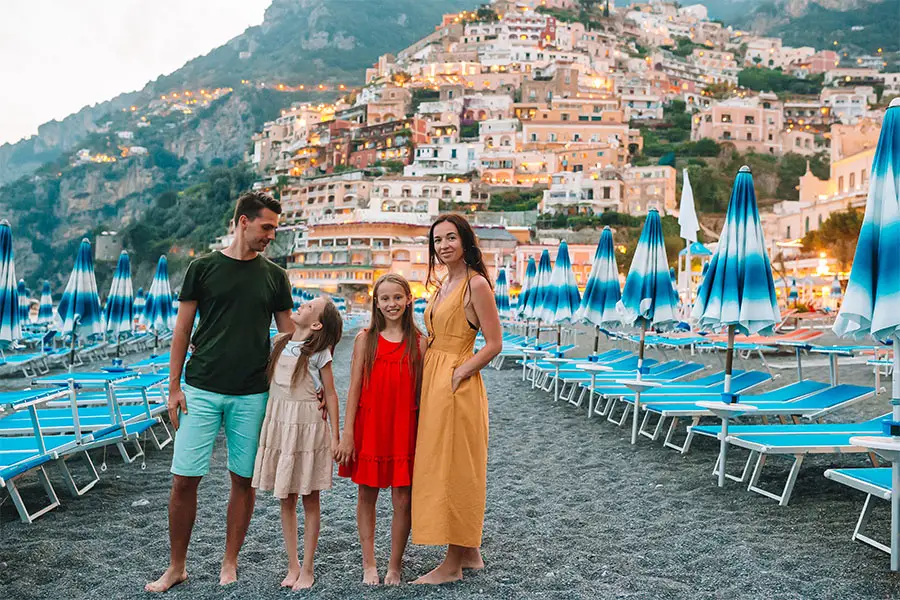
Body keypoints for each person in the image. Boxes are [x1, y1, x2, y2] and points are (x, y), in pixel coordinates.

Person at [146, 192, 294, 593]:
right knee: (183, 480)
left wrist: (319, 356)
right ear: (242, 222)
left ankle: (230, 560)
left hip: (252, 392)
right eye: (266, 227)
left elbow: (288, 335)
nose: (271, 237)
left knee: (242, 480)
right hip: (200, 389)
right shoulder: (203, 267)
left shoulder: (275, 277)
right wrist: (173, 387)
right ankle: (177, 566)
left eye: (275, 230)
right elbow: (182, 330)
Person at [411, 214, 503, 585]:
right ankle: (470, 552)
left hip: (455, 383)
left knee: (453, 468)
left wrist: (460, 372)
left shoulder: (476, 284)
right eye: (437, 241)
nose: (444, 245)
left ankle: (451, 566)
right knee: (441, 461)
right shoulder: (443, 284)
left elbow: (495, 344)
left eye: (451, 238)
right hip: (435, 377)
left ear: (465, 242)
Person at [337, 274, 425, 586]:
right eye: (385, 299)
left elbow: (425, 394)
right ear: (376, 302)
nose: (391, 304)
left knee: (403, 498)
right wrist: (347, 433)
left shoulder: (420, 343)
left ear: (408, 300)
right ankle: (369, 564)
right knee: (367, 494)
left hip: (404, 428)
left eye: (397, 298)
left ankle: (395, 566)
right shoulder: (365, 340)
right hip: (370, 427)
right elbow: (354, 390)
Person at [253, 296, 343, 590]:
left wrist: (336, 436)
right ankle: (292, 565)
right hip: (279, 424)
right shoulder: (279, 341)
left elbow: (330, 394)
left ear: (316, 323)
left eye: (309, 306)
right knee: (286, 499)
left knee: (310, 498)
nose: (302, 305)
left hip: (307, 428)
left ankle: (308, 568)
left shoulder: (319, 353)